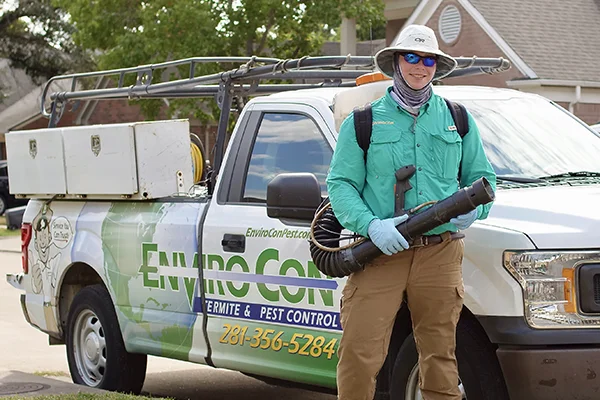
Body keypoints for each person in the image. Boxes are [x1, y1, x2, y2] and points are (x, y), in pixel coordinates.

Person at [326, 24, 497, 400]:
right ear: (397, 62)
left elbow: (483, 177)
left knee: (439, 355)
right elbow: (340, 186)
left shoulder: (458, 119)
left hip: (441, 251)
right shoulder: (364, 121)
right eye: (412, 57)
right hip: (380, 253)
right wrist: (372, 226)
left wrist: (475, 211)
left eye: (428, 59)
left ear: (437, 66)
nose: (420, 66)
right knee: (359, 353)